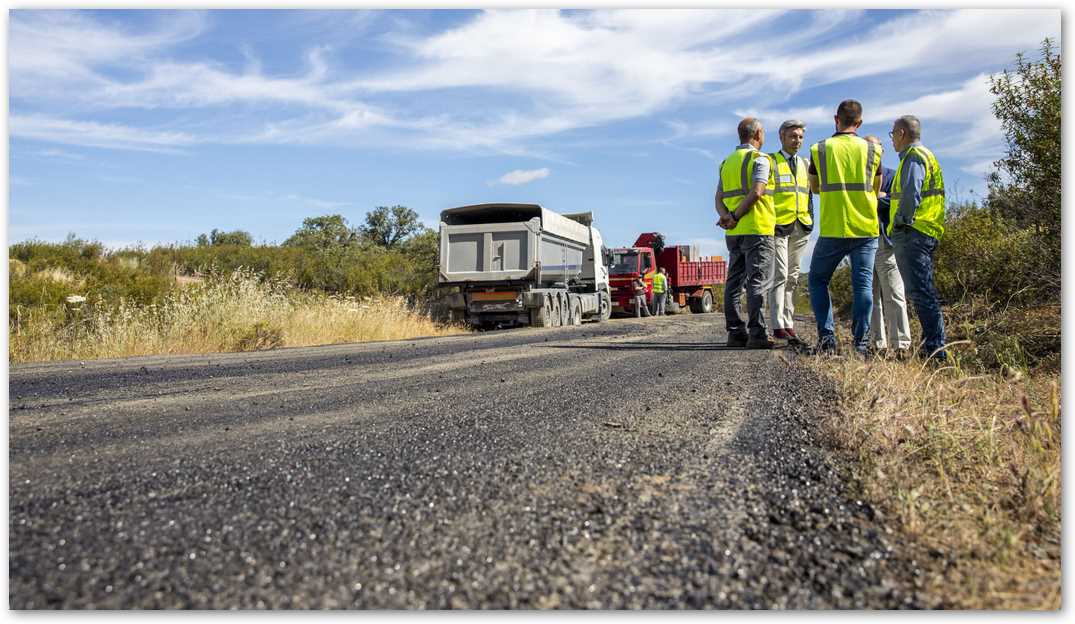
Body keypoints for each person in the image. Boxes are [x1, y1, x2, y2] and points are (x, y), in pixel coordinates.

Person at [807, 100, 883, 356]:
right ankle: (861, 344)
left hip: (834, 226)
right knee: (862, 285)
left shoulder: (819, 149)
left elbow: (815, 188)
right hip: (865, 226)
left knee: (817, 280)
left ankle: (827, 339)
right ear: (859, 123)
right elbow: (875, 187)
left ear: (835, 119)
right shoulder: (873, 150)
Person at [887, 115, 948, 361]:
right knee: (924, 292)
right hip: (926, 230)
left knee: (922, 293)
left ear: (902, 133)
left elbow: (912, 193)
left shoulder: (914, 157)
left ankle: (935, 350)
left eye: (892, 134)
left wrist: (901, 222)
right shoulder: (926, 155)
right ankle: (932, 346)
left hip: (914, 232)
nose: (891, 139)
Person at [714, 117, 776, 349]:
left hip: (734, 232)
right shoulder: (760, 159)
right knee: (757, 282)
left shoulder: (726, 162)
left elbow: (718, 197)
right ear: (758, 134)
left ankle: (735, 332)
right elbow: (757, 191)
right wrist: (737, 216)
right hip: (757, 228)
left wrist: (727, 217)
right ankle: (757, 334)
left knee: (734, 281)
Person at [864, 135, 912, 356]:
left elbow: (896, 200)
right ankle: (876, 343)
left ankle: (901, 344)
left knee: (894, 292)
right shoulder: (857, 178)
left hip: (885, 241)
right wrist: (878, 197)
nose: (872, 151)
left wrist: (875, 199)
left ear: (882, 151)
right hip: (862, 242)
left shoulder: (894, 175)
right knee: (870, 296)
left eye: (876, 148)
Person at [767, 119, 813, 344]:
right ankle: (777, 325)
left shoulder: (805, 163)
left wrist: (810, 221)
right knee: (780, 275)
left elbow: (809, 194)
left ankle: (788, 323)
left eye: (801, 137)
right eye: (793, 136)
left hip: (800, 226)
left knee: (793, 277)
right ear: (782, 137)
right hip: (778, 227)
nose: (798, 141)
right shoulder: (771, 162)